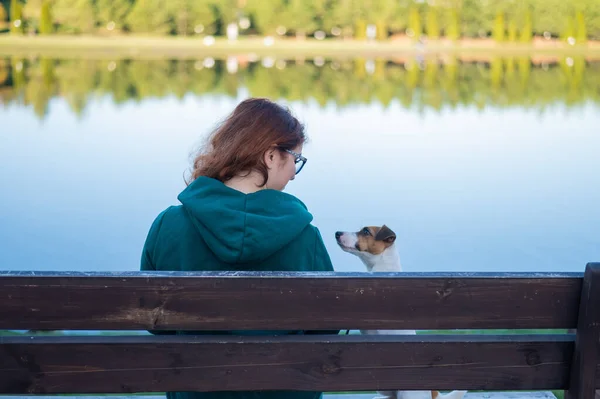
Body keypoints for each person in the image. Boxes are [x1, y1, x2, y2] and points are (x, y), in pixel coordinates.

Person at [140, 97, 337, 399]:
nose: (295, 173)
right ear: (271, 156)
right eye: (295, 160)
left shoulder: (168, 225)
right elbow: (326, 329)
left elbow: (155, 322)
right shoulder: (306, 238)